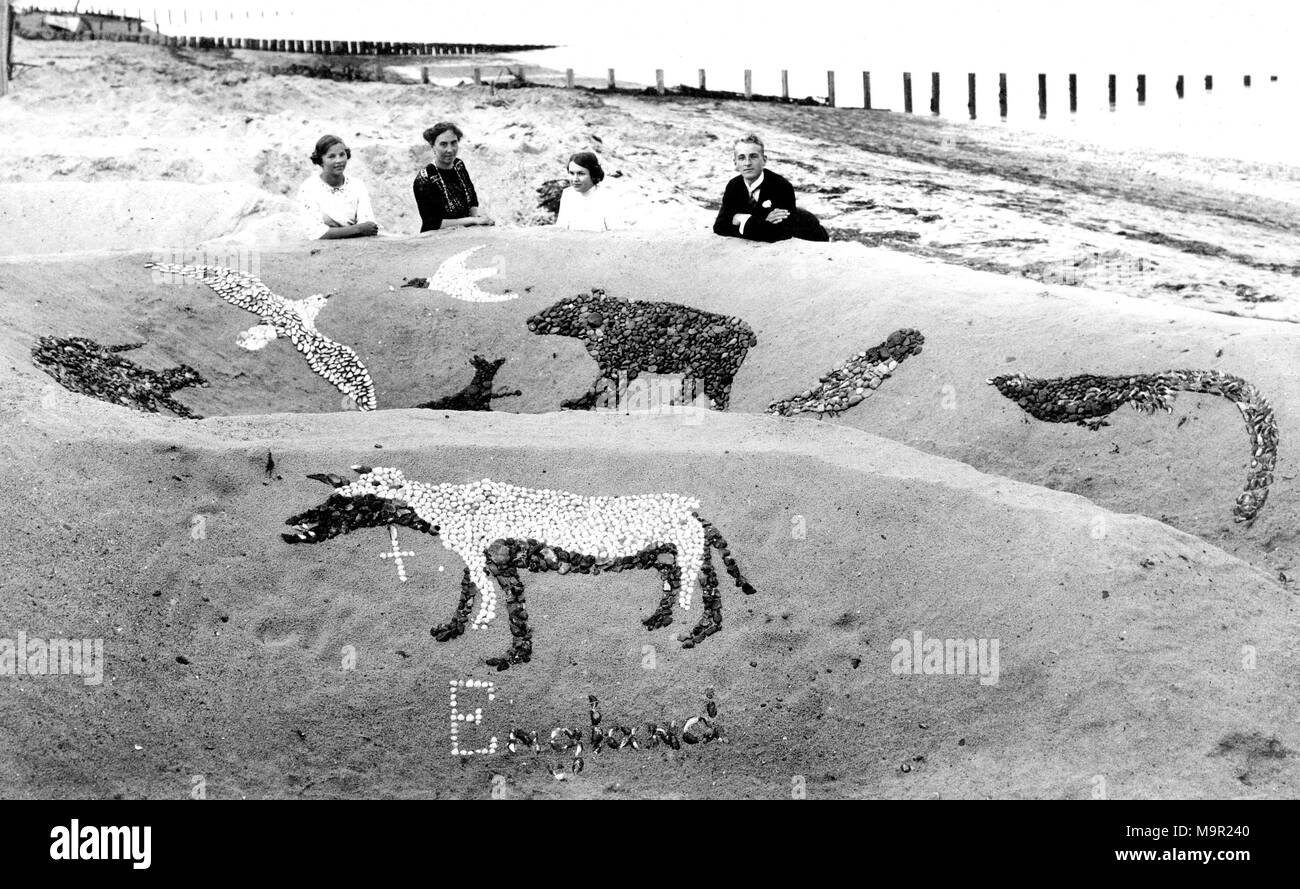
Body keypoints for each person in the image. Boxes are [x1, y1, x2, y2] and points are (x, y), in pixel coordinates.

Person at [712, 134, 827, 242]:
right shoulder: (734, 185)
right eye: (742, 158)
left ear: (764, 160)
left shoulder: (782, 186)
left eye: (753, 156)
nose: (747, 163)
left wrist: (740, 219)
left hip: (810, 233)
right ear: (735, 163)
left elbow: (779, 233)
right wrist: (762, 221)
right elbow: (720, 226)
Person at [413, 122, 495, 233]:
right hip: (434, 240)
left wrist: (479, 219)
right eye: (443, 144)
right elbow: (432, 223)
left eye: (453, 143)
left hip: (463, 233)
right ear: (433, 146)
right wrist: (473, 220)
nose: (450, 150)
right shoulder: (424, 178)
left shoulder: (458, 165)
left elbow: (472, 202)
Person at [298, 134, 379, 240]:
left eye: (342, 154)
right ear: (320, 160)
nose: (339, 160)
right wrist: (358, 229)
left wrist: (336, 231)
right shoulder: (309, 189)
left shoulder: (357, 186)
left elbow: (368, 226)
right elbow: (316, 233)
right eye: (331, 156)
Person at [555, 151, 611, 231]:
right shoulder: (568, 194)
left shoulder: (606, 196)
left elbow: (615, 232)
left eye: (581, 174)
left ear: (592, 174)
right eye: (571, 173)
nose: (575, 179)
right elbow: (561, 227)